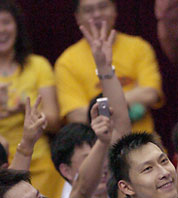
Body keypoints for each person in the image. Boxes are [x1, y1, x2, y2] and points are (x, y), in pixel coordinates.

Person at [55, 0, 163, 133]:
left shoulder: (139, 47)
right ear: (77, 17)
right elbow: (75, 115)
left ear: (115, 10)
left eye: (103, 7)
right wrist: (130, 103)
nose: (97, 14)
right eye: (88, 10)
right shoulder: (67, 62)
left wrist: (98, 109)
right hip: (99, 144)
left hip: (144, 140)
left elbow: (150, 93)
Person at [0, 0, 63, 198]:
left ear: (17, 26)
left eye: (6, 22)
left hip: (40, 164)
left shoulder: (38, 66)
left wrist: (25, 111)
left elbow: (55, 122)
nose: (1, 29)